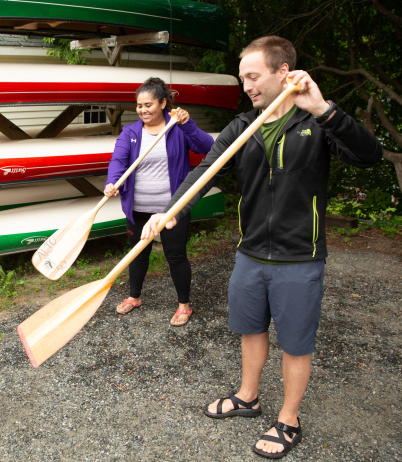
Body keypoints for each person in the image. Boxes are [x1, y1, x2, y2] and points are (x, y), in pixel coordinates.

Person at [141, 36, 383, 458]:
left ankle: (289, 419)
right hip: (250, 253)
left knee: (295, 342)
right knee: (250, 329)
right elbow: (206, 170)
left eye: (254, 76)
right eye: (243, 79)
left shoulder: (315, 123)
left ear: (283, 72)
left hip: (298, 258)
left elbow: (369, 156)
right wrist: (172, 209)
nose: (247, 86)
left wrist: (323, 110)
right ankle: (247, 397)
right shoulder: (241, 127)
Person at [104, 77, 214, 326]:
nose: (143, 110)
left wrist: (188, 125)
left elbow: (208, 147)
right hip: (138, 208)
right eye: (139, 105)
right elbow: (118, 162)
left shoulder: (177, 128)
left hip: (172, 209)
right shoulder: (130, 132)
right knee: (137, 254)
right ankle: (134, 296)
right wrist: (112, 182)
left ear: (163, 103)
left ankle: (184, 305)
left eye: (149, 104)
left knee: (175, 256)